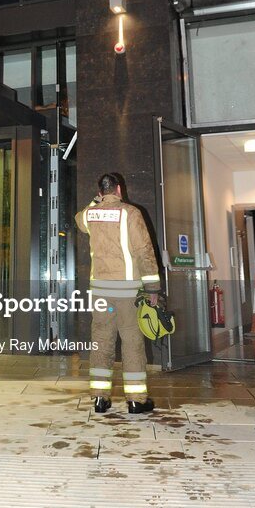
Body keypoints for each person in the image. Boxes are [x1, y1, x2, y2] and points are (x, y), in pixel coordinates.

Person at [75, 172, 161, 414]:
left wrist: (96, 201)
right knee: (132, 343)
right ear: (120, 190)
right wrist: (153, 287)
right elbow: (144, 251)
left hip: (100, 292)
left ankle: (100, 399)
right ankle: (136, 401)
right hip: (128, 292)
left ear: (101, 193)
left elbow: (78, 220)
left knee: (101, 341)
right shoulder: (131, 213)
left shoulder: (90, 215)